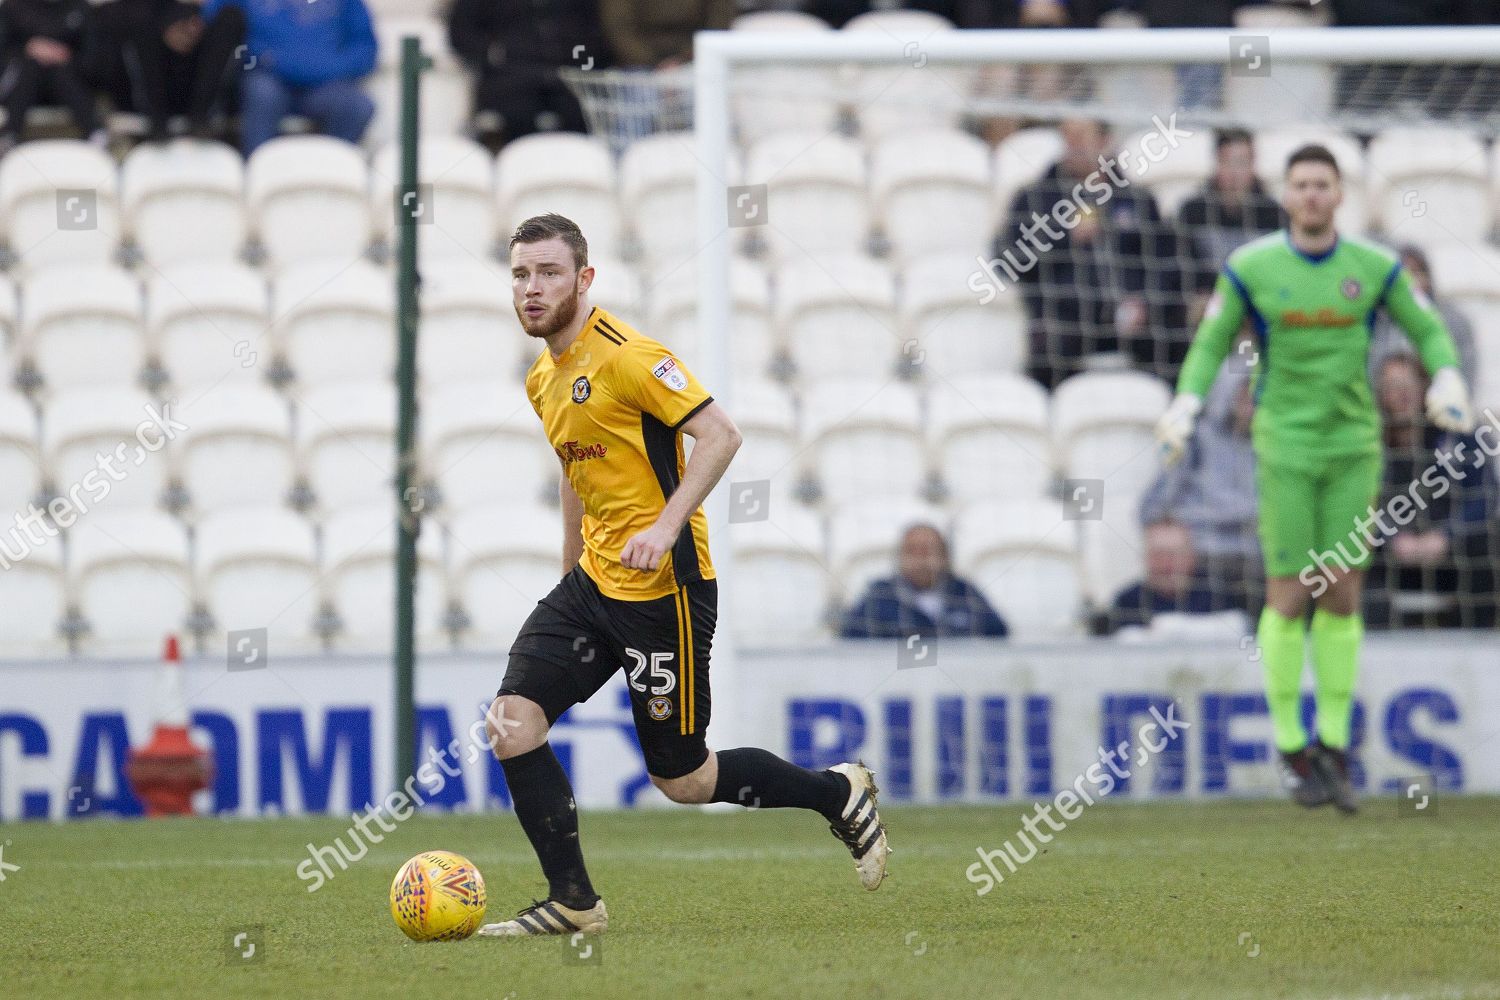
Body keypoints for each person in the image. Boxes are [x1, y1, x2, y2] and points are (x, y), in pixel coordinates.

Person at [477, 214, 890, 939]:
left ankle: (837, 793)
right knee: (512, 723)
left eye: (547, 272)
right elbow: (578, 471)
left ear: (584, 278)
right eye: (520, 274)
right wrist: (569, 571)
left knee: (684, 779)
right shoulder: (543, 377)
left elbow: (722, 434)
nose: (532, 288)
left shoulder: (631, 356)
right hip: (593, 587)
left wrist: (666, 525)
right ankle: (575, 902)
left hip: (665, 591)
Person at [1156, 144, 1474, 814]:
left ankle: (1332, 744)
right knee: (1288, 593)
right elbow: (1211, 343)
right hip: (1286, 449)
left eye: (1321, 185)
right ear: (1287, 193)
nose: (1310, 195)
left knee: (1341, 594)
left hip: (1354, 448)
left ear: (1338, 195)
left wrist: (1446, 375)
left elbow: (1428, 327)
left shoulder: (1375, 265)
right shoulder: (1251, 267)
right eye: (1300, 184)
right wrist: (1187, 402)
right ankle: (1291, 744)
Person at [997, 117, 1184, 389]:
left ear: (1105, 142)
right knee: (1047, 348)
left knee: (1178, 338)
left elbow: (1167, 262)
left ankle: (1176, 422)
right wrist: (1063, 238)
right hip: (1066, 320)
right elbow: (1010, 260)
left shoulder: (1137, 200)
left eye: (1082, 138)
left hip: (1130, 318)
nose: (1073, 147)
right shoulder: (1035, 197)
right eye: (1068, 138)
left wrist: (1144, 302)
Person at [1365, 353, 1498, 630]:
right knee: (1349, 552)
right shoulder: (1367, 443)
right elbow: (1358, 503)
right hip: (1392, 559)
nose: (1400, 395)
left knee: (1489, 545)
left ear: (1424, 388)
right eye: (1391, 387)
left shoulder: (1458, 433)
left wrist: (1445, 536)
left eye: (1406, 385)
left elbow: (1484, 497)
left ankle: (1471, 644)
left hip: (1450, 556)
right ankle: (1378, 644)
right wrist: (1391, 540)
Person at [1140, 343, 1262, 617]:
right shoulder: (1197, 440)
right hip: (1204, 556)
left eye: (1258, 395)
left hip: (1261, 556)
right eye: (1244, 394)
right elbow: (1152, 506)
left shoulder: (1282, 447)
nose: (1250, 405)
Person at [202, 0, 376, 155]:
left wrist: (324, 68)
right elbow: (217, 29)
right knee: (262, 94)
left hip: (324, 85)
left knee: (357, 106)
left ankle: (329, 174)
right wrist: (260, 58)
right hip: (264, 76)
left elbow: (365, 48)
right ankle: (258, 174)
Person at [445, 0, 604, 149]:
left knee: (582, 117)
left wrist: (580, 59)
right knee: (514, 115)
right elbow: (460, 33)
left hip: (566, 79)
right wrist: (493, 53)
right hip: (508, 79)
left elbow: (594, 36)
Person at [86, 0, 245, 141]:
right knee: (139, 17)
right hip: (151, 94)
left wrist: (199, 20)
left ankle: (201, 116)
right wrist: (168, 25)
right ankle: (157, 118)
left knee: (231, 16)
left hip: (203, 94)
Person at [1177, 129, 1283, 320]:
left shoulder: (1273, 213)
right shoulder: (1193, 211)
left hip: (1257, 304)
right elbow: (1182, 269)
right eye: (1227, 163)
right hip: (1207, 306)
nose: (1235, 173)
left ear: (1253, 165)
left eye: (1242, 163)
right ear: (1217, 164)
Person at [839, 523, 1009, 639]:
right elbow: (852, 642)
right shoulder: (879, 597)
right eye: (912, 551)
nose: (920, 559)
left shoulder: (965, 593)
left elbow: (998, 635)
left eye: (928, 551)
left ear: (944, 557)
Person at [1092, 520, 1239, 635]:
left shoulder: (1216, 593)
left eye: (1173, 555)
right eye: (1158, 555)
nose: (1166, 564)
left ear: (1191, 557)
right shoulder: (1128, 600)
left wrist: (1170, 628)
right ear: (1146, 558)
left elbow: (1238, 628)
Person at [1368, 243, 1479, 392]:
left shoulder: (1455, 322)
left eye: (1417, 273)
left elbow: (1465, 375)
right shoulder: (1378, 323)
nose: (1411, 283)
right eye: (1404, 275)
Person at [0, 0, 104, 152]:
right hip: (22, 85)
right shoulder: (12, 7)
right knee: (29, 69)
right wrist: (27, 49)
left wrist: (64, 55)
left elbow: (94, 58)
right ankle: (9, 136)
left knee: (60, 73)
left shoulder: (80, 8)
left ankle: (96, 134)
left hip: (68, 83)